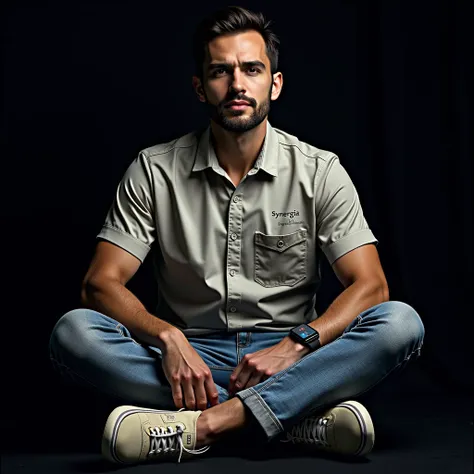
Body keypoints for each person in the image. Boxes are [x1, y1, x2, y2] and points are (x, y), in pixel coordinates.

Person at [49, 5, 425, 465]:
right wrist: (169, 339)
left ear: (275, 83)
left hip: (292, 357)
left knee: (400, 322)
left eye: (252, 69)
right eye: (220, 72)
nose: (237, 85)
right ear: (200, 88)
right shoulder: (154, 170)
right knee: (74, 332)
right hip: (189, 362)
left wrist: (294, 346)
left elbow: (372, 286)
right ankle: (294, 419)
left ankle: (204, 425)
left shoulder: (320, 171)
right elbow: (99, 283)